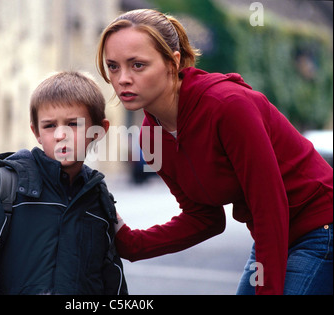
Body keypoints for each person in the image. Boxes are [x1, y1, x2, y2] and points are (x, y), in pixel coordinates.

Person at [97, 9, 333, 295]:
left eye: (137, 65)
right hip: (271, 234)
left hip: (320, 226)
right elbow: (204, 218)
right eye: (113, 66)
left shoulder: (227, 106)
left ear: (172, 63)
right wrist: (131, 243)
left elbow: (269, 204)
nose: (122, 79)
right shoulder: (151, 137)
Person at [0, 71, 128, 295]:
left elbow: (112, 280)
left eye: (73, 123)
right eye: (50, 126)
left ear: (99, 130)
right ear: (36, 132)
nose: (61, 134)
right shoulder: (5, 186)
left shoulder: (98, 198)